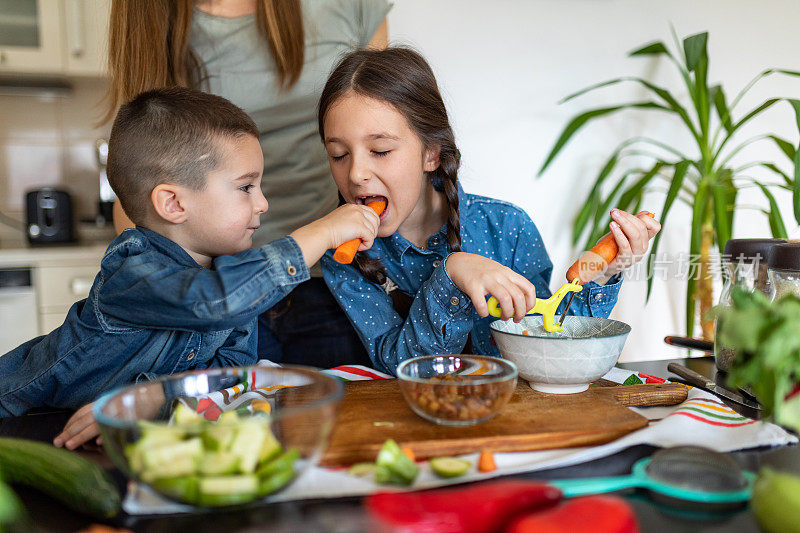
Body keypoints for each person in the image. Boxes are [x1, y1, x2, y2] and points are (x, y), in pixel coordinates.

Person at [0, 88, 379, 443]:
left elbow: (229, 375)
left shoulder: (232, 277)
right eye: (246, 187)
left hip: (106, 434)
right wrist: (321, 232)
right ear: (174, 205)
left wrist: (152, 400)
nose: (262, 203)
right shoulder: (132, 272)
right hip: (23, 418)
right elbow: (215, 302)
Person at [318, 47, 662, 376]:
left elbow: (546, 341)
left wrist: (601, 272)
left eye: (379, 150)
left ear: (431, 154)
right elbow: (401, 366)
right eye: (338, 155)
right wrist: (451, 276)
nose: (355, 174)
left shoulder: (508, 228)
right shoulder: (343, 256)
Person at [105, 0, 391, 368]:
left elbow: (382, 125)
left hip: (333, 281)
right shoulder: (148, 23)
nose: (263, 204)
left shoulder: (346, 7)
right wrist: (192, 294)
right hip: (217, 287)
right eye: (246, 188)